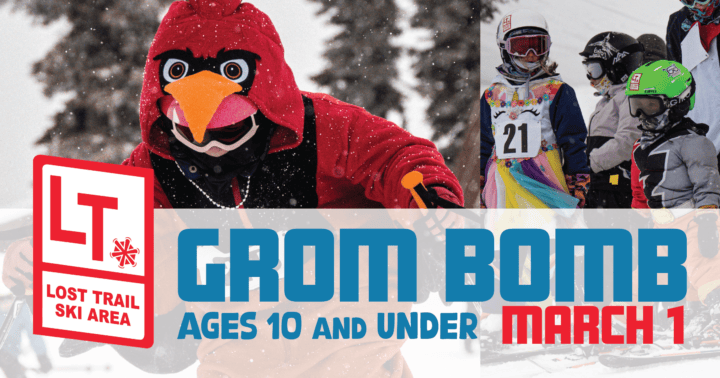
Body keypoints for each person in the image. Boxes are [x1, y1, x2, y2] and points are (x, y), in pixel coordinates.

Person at [2, 0, 464, 376]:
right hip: (237, 357)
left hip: (348, 345)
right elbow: (96, 223)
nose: (212, 150)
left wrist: (434, 205)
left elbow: (397, 157)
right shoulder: (159, 164)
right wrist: (36, 256)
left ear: (263, 102)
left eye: (227, 132)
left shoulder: (320, 129)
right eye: (195, 136)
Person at [627, 60, 720, 342]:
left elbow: (708, 182)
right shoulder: (644, 144)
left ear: (677, 104)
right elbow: (646, 189)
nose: (642, 114)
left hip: (691, 221)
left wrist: (707, 217)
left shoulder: (692, 142)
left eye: (650, 106)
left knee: (703, 269)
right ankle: (684, 317)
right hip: (663, 226)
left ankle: (716, 313)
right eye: (637, 106)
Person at [480, 9, 590, 209]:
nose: (531, 55)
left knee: (546, 231)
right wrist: (480, 180)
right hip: (501, 184)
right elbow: (485, 144)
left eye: (538, 46)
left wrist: (578, 181)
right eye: (521, 47)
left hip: (543, 179)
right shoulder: (492, 95)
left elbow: (573, 141)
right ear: (504, 48)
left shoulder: (557, 91)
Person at [579, 32, 644, 209]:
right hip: (600, 184)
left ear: (617, 67)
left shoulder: (630, 97)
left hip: (616, 187)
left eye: (595, 70)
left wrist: (589, 163)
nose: (591, 78)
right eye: (588, 71)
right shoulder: (607, 100)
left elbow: (628, 140)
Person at [667, 0, 720, 165]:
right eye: (689, 0)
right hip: (700, 125)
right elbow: (675, 75)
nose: (697, 5)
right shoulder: (679, 21)